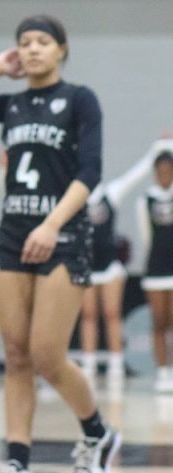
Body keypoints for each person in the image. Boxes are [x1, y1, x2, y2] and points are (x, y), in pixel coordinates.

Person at [0, 14, 120, 473]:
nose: (33, 49)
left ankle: (97, 431)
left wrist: (52, 224)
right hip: (12, 237)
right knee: (15, 356)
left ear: (62, 49)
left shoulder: (81, 100)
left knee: (45, 354)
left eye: (43, 42)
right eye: (24, 43)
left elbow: (91, 172)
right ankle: (17, 468)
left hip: (61, 235)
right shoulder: (14, 102)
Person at [81, 140, 165, 386]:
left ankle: (116, 364)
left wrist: (157, 148)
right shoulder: (75, 198)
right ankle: (89, 364)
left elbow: (137, 173)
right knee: (88, 316)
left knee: (112, 313)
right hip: (86, 266)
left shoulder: (111, 193)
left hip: (109, 266)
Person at [138, 146, 173, 393]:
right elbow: (146, 237)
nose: (164, 176)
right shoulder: (145, 201)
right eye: (160, 171)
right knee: (158, 321)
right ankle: (162, 371)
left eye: (168, 171)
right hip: (155, 269)